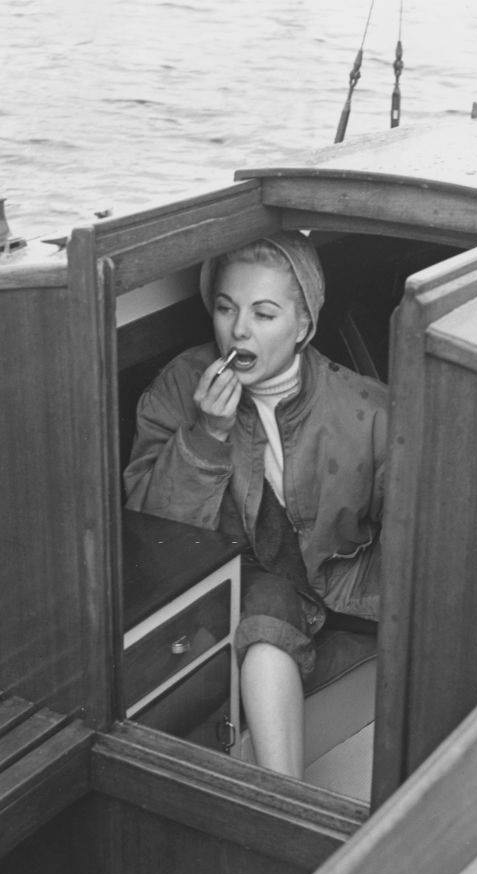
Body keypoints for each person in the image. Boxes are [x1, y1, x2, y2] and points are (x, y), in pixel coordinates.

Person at [123, 231, 387, 778]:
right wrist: (205, 436)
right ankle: (283, 804)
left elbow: (412, 527)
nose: (238, 329)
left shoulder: (365, 407)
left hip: (345, 599)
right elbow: (149, 538)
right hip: (239, 597)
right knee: (266, 603)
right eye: (225, 308)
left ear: (304, 326)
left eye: (264, 314)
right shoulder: (179, 388)